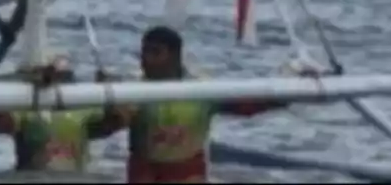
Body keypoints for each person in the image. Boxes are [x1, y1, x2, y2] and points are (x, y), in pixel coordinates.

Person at [104, 25, 316, 183]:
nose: (146, 59)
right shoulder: (132, 89)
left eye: (155, 52)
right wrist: (109, 102)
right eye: (144, 52)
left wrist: (291, 91)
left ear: (175, 56)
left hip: (187, 174)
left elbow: (248, 105)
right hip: (145, 173)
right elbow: (107, 126)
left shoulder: (202, 89)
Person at [0, 56, 116, 173]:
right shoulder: (23, 109)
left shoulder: (83, 110)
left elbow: (115, 122)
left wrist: (109, 93)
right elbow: (0, 123)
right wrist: (4, 93)